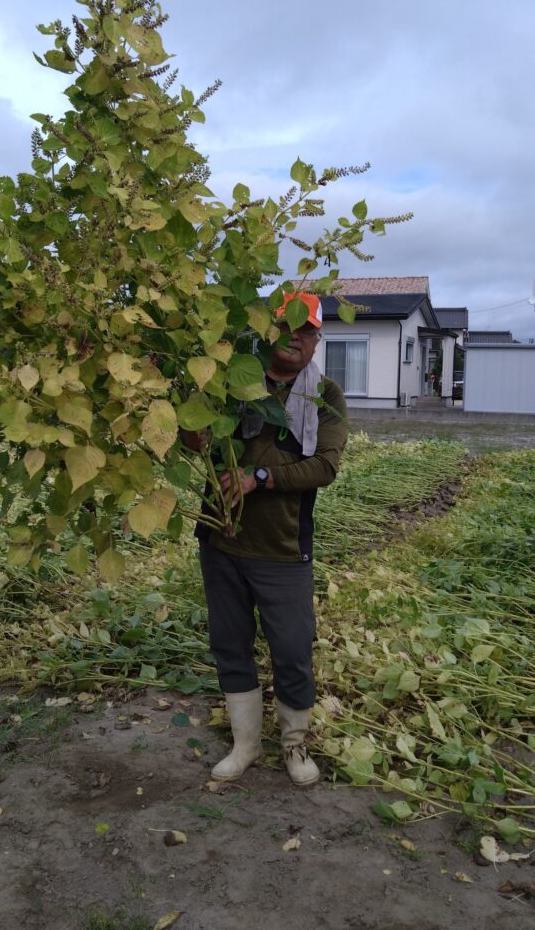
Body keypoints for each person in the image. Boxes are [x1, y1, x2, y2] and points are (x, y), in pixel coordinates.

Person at [186, 292, 348, 786]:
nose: (295, 337)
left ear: (317, 340)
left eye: (306, 330)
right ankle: (246, 745)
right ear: (268, 329)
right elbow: (198, 439)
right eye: (286, 326)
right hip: (222, 540)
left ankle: (295, 745)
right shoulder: (232, 380)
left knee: (293, 649)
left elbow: (325, 466)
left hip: (282, 547)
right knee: (229, 644)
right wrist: (188, 426)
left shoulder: (325, 395)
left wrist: (259, 477)